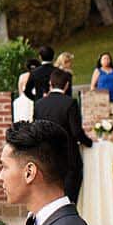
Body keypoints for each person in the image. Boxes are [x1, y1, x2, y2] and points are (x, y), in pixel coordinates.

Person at [34, 67, 90, 202]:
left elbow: (36, 130)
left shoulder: (39, 104)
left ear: (50, 84)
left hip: (46, 157)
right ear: (66, 85)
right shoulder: (70, 103)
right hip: (68, 158)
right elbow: (76, 132)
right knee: (69, 200)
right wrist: (90, 143)